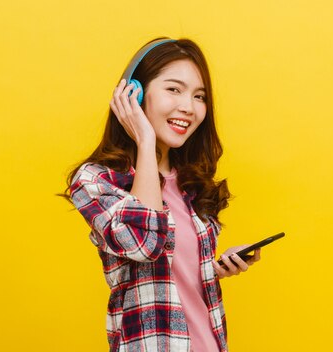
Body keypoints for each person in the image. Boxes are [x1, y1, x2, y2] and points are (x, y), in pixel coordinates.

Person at [63, 37, 261, 352]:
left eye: (199, 96)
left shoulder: (189, 183)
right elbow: (143, 245)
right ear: (133, 93)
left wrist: (214, 267)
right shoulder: (97, 181)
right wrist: (144, 141)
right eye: (174, 89)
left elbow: (172, 275)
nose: (188, 106)